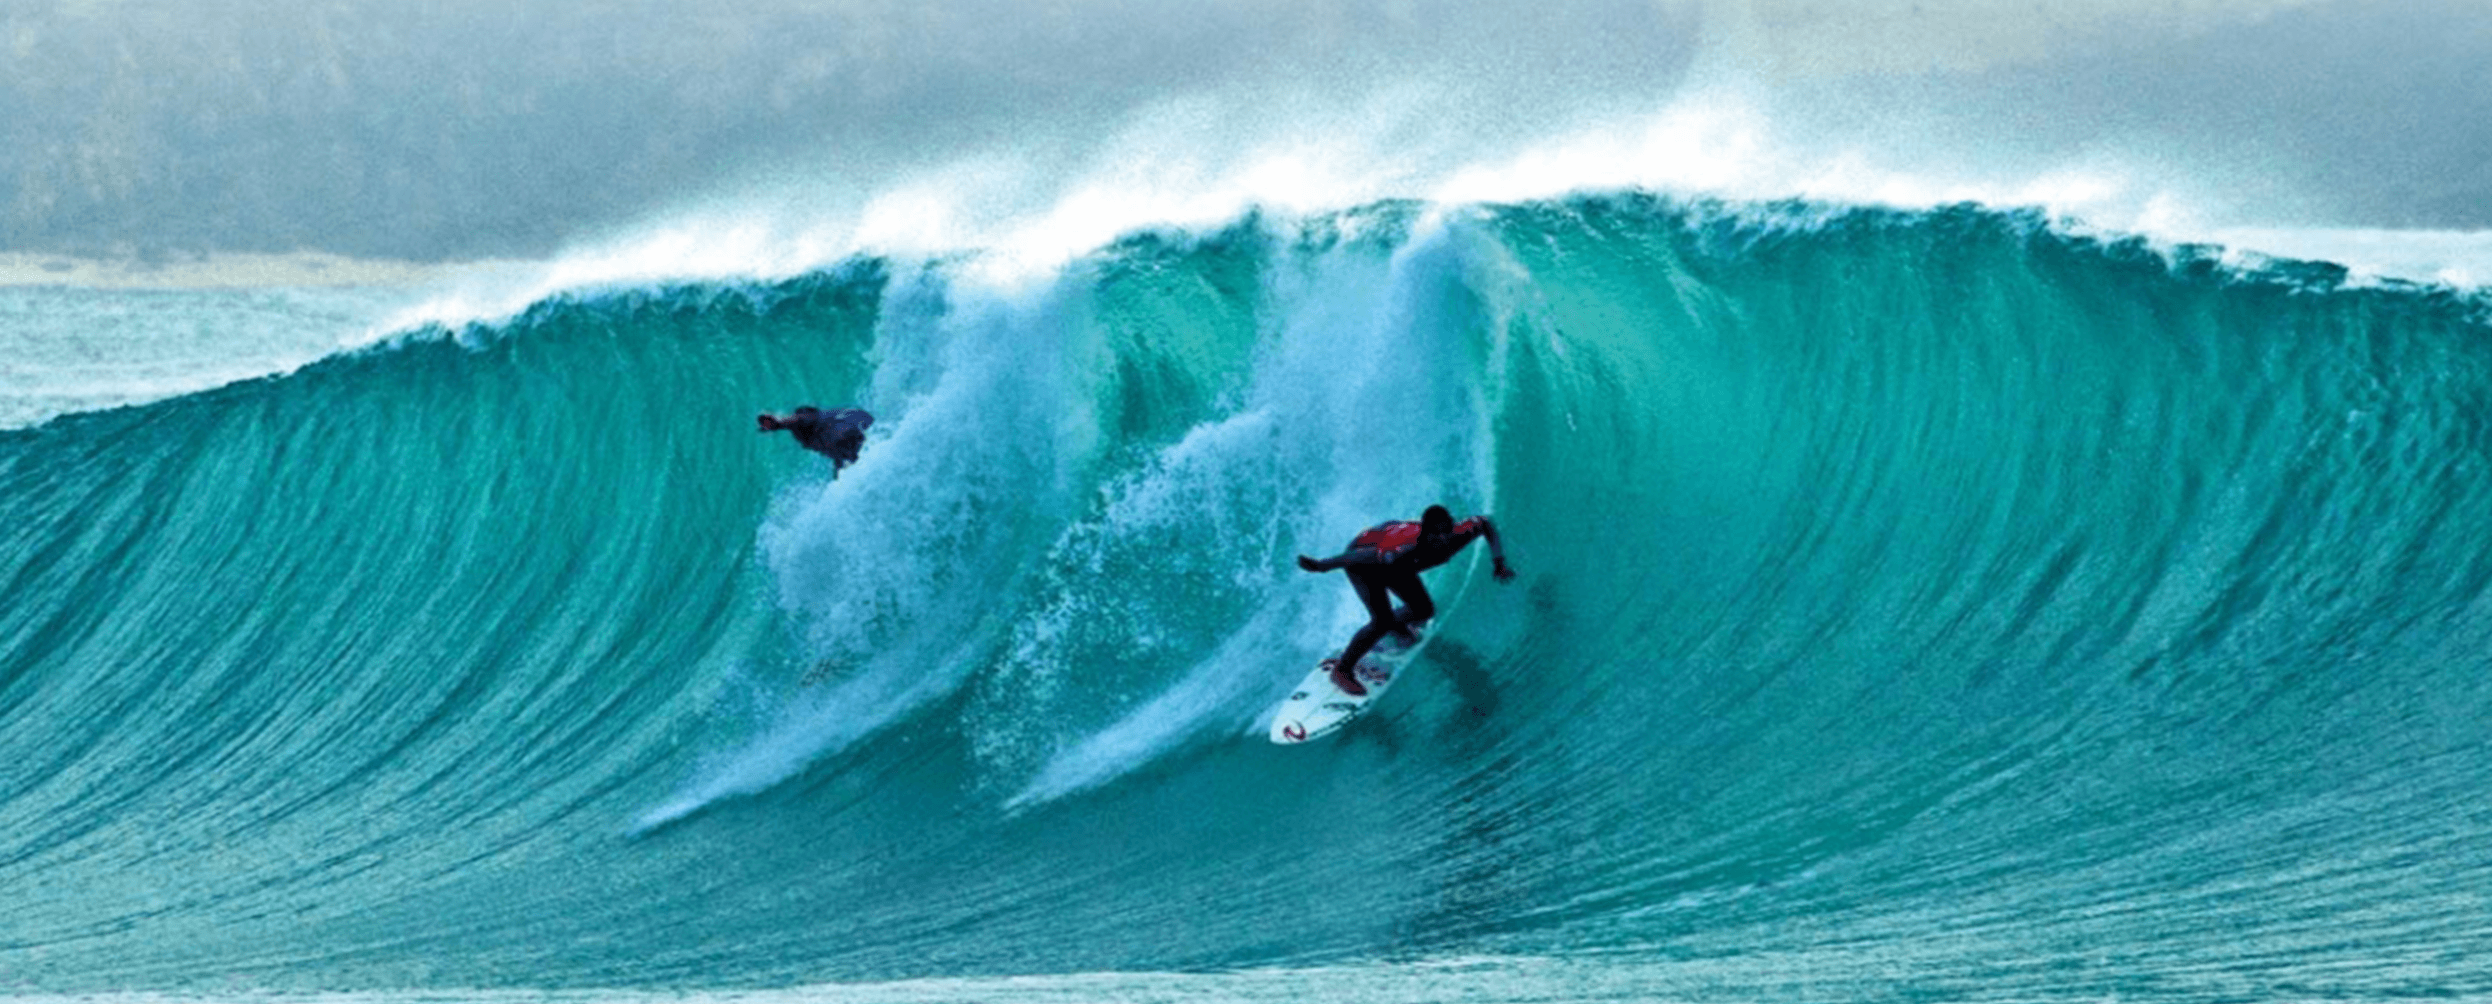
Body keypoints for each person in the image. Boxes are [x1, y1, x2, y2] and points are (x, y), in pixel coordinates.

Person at [1296, 504, 1514, 696]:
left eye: (1445, 533)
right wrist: (1322, 566)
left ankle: (1394, 627)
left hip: (1397, 561)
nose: (1441, 539)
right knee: (1381, 620)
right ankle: (1342, 671)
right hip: (1364, 561)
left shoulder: (1459, 534)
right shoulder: (1402, 549)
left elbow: (1486, 523)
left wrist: (1499, 561)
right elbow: (1359, 557)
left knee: (1423, 611)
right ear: (1425, 533)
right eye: (1434, 535)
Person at [758, 406, 874, 475]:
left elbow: (796, 420)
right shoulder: (821, 418)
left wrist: (778, 424)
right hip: (849, 438)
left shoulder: (805, 421)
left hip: (843, 440)